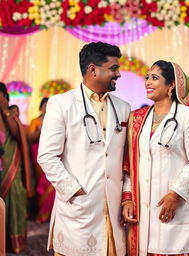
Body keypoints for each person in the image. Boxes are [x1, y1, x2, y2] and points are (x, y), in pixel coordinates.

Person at [37, 42, 131, 256]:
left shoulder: (123, 108)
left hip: (113, 210)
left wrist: (126, 196)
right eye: (113, 68)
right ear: (92, 70)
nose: (119, 74)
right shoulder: (61, 104)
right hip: (78, 207)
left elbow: (127, 159)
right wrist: (73, 190)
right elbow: (47, 156)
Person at [122, 61, 189, 256]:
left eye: (154, 78)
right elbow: (130, 164)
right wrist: (127, 199)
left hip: (177, 205)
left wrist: (175, 195)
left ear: (171, 86)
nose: (147, 82)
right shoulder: (138, 119)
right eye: (147, 77)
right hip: (143, 208)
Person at [0, 82, 32, 253]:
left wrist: (5, 111)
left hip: (12, 165)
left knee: (15, 197)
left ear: (5, 97)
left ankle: (14, 242)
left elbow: (15, 134)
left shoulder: (10, 115)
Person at [27, 97, 55, 223]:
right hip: (37, 153)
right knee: (42, 182)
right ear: (40, 107)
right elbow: (30, 137)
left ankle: (51, 215)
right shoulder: (35, 121)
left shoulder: (56, 121)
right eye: (44, 105)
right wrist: (42, 129)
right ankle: (41, 213)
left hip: (52, 153)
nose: (46, 108)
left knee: (51, 182)